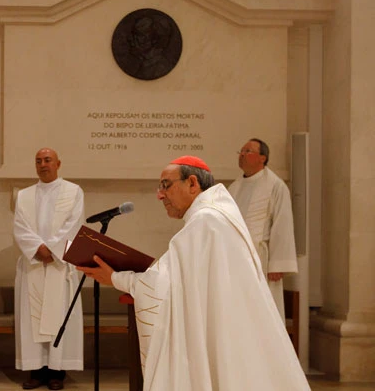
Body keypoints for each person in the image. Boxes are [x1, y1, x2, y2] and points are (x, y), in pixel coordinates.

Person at [78, 156, 309, 390]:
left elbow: (160, 285)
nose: (159, 195)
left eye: (165, 185)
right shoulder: (217, 217)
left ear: (192, 183)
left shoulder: (205, 221)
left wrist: (115, 278)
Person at [13, 148, 84, 390]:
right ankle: (36, 371)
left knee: (58, 317)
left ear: (58, 163)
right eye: (38, 161)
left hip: (58, 265)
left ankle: (56, 372)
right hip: (33, 265)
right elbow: (20, 227)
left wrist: (53, 250)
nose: (43, 164)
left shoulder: (73, 192)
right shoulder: (23, 195)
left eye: (47, 160)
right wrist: (38, 249)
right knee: (32, 320)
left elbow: (74, 225)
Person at [227, 138, 298, 322]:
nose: (242, 155)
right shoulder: (234, 187)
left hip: (261, 260)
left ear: (262, 158)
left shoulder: (275, 185)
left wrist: (278, 265)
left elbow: (283, 224)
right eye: (240, 151)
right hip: (234, 259)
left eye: (248, 151)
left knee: (261, 314)